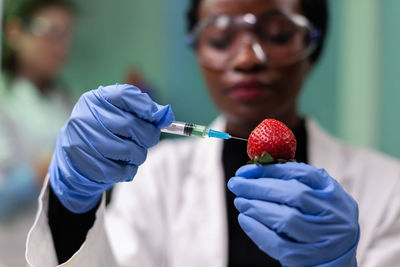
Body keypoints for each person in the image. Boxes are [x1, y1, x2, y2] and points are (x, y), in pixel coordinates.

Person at [26, 0, 400, 266]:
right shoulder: (153, 177)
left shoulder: (389, 187)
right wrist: (71, 204)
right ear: (197, 49)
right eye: (221, 38)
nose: (247, 58)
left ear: (312, 46)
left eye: (278, 34)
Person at [0, 0, 75, 265]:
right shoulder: (5, 99)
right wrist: (43, 169)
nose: (62, 48)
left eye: (67, 36)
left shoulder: (64, 100)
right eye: (52, 33)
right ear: (14, 31)